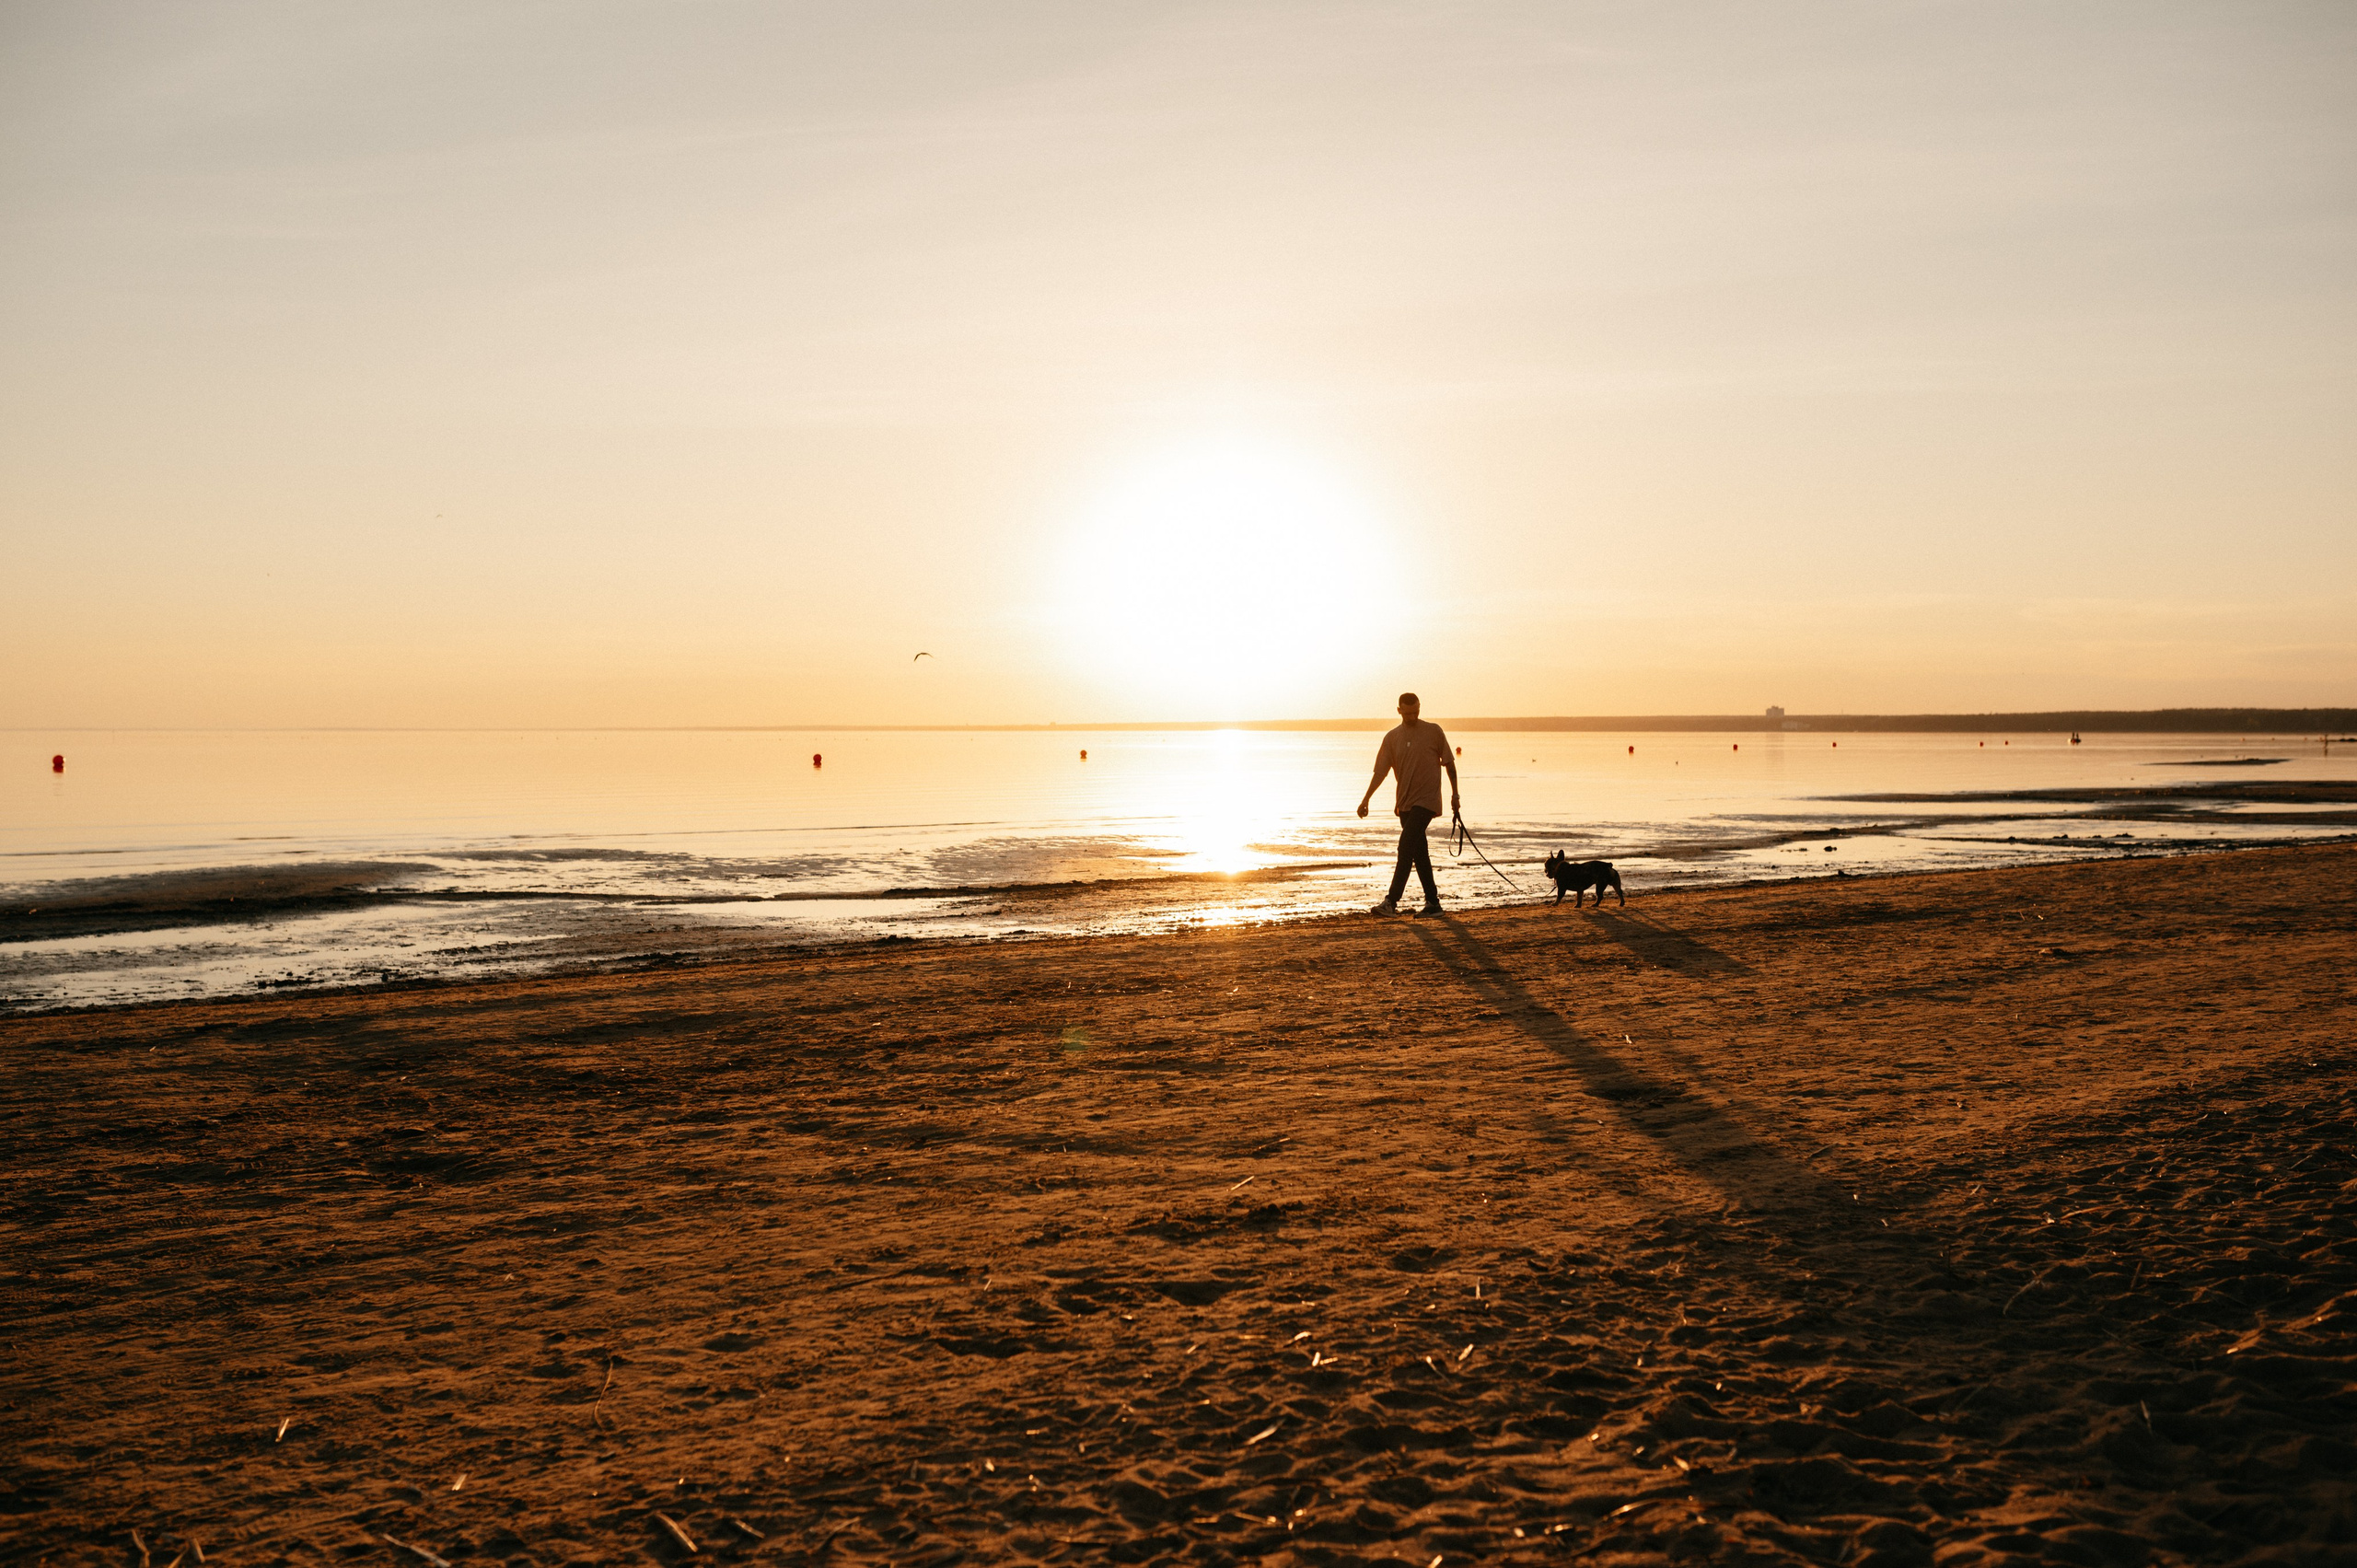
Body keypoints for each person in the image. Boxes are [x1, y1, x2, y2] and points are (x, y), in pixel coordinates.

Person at [1356, 691, 1458, 916]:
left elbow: (1450, 765)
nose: (1412, 717)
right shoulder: (1392, 738)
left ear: (1420, 709)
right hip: (1404, 805)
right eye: (1408, 713)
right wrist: (1366, 799)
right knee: (1419, 853)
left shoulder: (1434, 731)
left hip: (1427, 802)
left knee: (1405, 847)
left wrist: (1455, 796)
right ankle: (1433, 904)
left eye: (1416, 712)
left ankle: (1391, 902)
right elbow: (1380, 773)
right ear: (1399, 710)